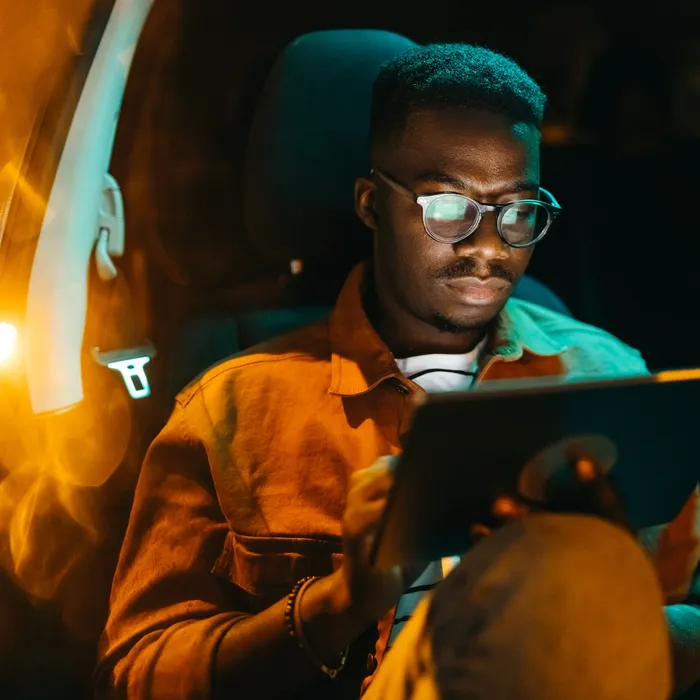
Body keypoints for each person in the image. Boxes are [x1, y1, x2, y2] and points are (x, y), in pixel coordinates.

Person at [94, 44, 700, 700]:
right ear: (371, 204)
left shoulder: (605, 376)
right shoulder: (234, 409)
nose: (490, 246)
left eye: (519, 211)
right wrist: (339, 601)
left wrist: (601, 628)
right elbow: (133, 676)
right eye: (448, 208)